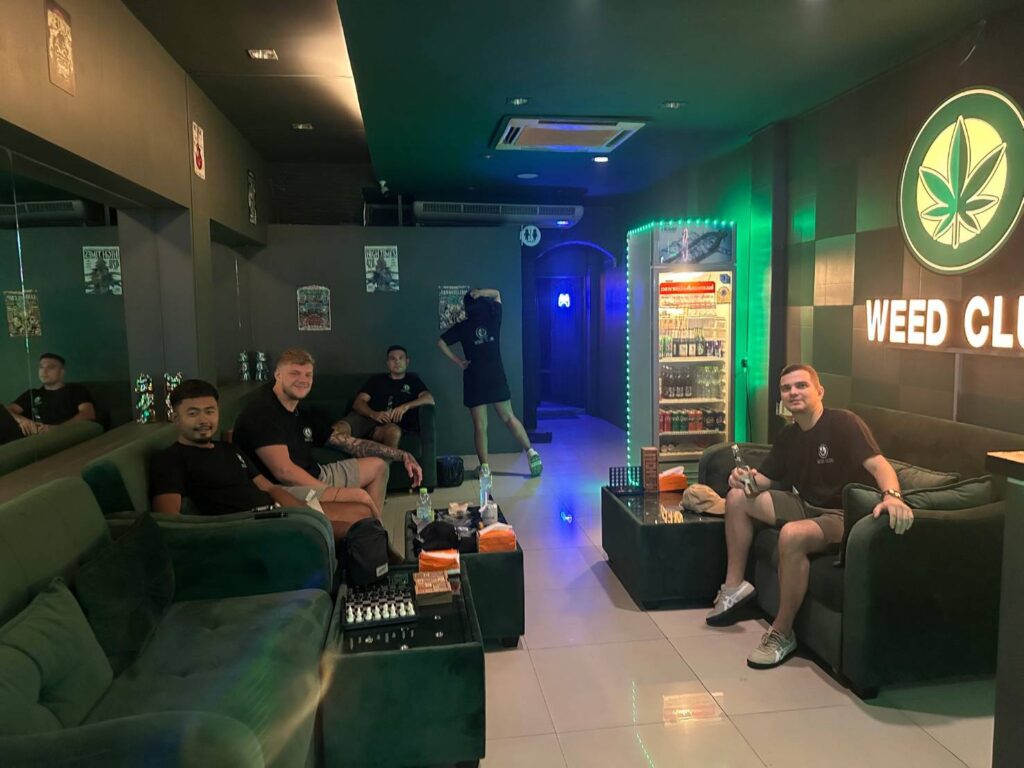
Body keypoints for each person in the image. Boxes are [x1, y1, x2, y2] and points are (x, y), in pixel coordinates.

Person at [705, 363, 914, 669]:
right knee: (737, 499)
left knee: (792, 535)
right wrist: (741, 478)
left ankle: (782, 632)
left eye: (801, 385)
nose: (793, 392)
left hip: (842, 515)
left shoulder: (844, 423)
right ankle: (734, 586)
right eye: (786, 388)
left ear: (820, 391)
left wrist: (893, 496)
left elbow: (879, 465)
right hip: (803, 504)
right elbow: (762, 481)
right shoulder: (789, 435)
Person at [150, 379, 376, 536]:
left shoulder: (229, 449)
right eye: (192, 413)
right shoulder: (169, 459)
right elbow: (170, 523)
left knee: (363, 513)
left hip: (277, 511)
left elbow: (268, 487)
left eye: (209, 411)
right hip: (250, 528)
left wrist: (305, 512)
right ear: (176, 417)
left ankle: (382, 575)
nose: (203, 420)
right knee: (355, 531)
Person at [232, 348, 423, 521]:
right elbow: (285, 472)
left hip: (314, 474)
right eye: (295, 373)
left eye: (308, 374)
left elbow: (347, 442)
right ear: (278, 375)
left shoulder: (299, 413)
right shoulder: (264, 412)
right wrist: (331, 492)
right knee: (360, 502)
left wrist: (402, 455)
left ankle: (371, 535)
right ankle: (371, 534)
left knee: (379, 467)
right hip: (284, 490)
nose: (303, 379)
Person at [437, 288, 542, 476]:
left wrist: (459, 362)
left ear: (467, 307)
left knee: (480, 426)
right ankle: (531, 453)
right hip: (496, 376)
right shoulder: (493, 319)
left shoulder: (463, 326)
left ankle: (485, 468)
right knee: (509, 417)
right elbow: (497, 294)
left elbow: (440, 342)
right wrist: (481, 292)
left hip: (474, 378)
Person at [333, 345, 435, 449]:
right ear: (388, 363)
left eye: (401, 358)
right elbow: (358, 402)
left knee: (393, 431)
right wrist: (373, 414)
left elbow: (429, 398)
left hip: (389, 426)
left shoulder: (413, 381)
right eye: (393, 359)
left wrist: (405, 406)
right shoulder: (377, 380)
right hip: (367, 419)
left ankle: (382, 461)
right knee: (338, 429)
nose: (397, 361)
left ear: (407, 361)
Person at [6, 352, 96, 435]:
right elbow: (7, 410)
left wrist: (57, 429)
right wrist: (22, 420)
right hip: (35, 436)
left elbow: (88, 413)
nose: (44, 371)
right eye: (41, 367)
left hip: (64, 434)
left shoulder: (75, 390)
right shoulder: (33, 394)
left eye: (50, 367)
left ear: (62, 372)